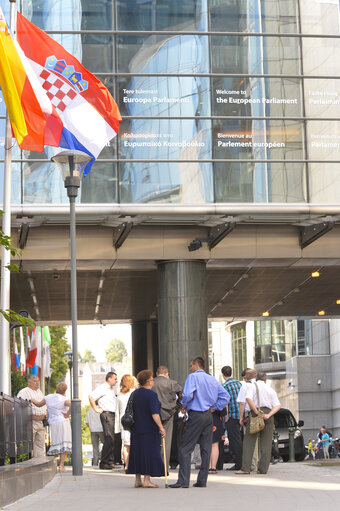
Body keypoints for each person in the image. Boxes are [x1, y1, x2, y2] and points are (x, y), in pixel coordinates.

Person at [170, 356, 230, 489]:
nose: (190, 368)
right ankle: (202, 480)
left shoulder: (193, 377)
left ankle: (183, 481)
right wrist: (214, 407)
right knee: (206, 448)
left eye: (191, 365)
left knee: (185, 447)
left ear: (196, 365)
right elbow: (226, 396)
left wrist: (184, 405)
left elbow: (186, 395)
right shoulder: (212, 379)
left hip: (196, 414)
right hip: (208, 415)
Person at [126, 369, 166, 488]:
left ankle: (138, 479)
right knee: (149, 453)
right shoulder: (151, 395)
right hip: (149, 429)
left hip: (136, 428)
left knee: (137, 452)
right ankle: (147, 480)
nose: (153, 381)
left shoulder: (135, 393)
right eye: (152, 379)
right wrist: (161, 427)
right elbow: (155, 413)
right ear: (148, 381)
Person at [236, 371, 281, 475]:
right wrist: (269, 415)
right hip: (268, 415)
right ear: (265, 380)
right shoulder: (270, 390)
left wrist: (256, 412)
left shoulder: (252, 387)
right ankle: (263, 469)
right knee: (266, 443)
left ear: (256, 379)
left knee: (249, 441)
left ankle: (245, 468)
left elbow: (247, 398)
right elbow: (277, 405)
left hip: (256, 414)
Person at [30, 382, 72, 472]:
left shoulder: (48, 397)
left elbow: (38, 404)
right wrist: (67, 414)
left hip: (53, 423)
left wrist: (31, 399)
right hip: (63, 422)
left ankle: (54, 464)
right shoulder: (64, 399)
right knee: (63, 444)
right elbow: (72, 405)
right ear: (64, 390)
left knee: (56, 443)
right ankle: (61, 465)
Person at [152, 365, 182, 469]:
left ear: (157, 373)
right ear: (167, 374)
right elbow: (182, 394)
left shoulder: (151, 382)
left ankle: (154, 464)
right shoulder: (172, 383)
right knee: (167, 441)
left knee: (154, 440)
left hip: (154, 414)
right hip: (169, 413)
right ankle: (164, 466)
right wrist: (177, 407)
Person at [88, 371, 118, 470]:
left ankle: (110, 461)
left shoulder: (110, 389)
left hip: (112, 414)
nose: (116, 381)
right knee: (109, 438)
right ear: (109, 378)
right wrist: (95, 408)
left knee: (112, 438)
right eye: (115, 378)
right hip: (106, 414)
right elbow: (91, 396)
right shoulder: (103, 388)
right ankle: (104, 462)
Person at [17, 375, 48, 458]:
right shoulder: (23, 392)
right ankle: (33, 464)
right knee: (30, 445)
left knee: (41, 445)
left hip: (41, 422)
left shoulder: (40, 392)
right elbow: (19, 406)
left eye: (38, 381)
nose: (37, 383)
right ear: (29, 382)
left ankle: (40, 464)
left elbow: (44, 405)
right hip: (31, 421)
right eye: (35, 381)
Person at [221, 365, 242, 471]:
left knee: (234, 441)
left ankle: (238, 463)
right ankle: (241, 461)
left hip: (232, 416)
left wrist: (226, 416)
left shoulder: (224, 386)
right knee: (240, 439)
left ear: (222, 374)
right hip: (241, 415)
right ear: (231, 373)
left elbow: (226, 403)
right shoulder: (239, 383)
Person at [115, 374, 136, 470]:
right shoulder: (134, 392)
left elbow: (117, 411)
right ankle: (134, 464)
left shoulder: (119, 395)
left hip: (123, 422)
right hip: (134, 421)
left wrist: (117, 427)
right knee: (135, 444)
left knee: (126, 445)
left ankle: (127, 465)